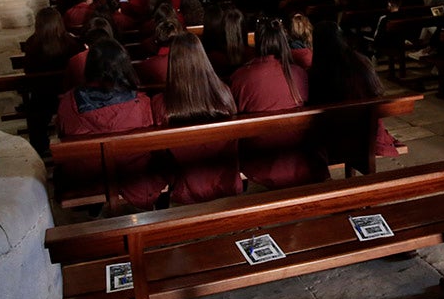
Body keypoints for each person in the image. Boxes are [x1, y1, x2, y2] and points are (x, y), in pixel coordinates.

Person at [56, 38, 166, 211]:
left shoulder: (69, 102)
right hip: (133, 176)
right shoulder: (141, 102)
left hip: (88, 179)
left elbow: (62, 132)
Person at [229, 18, 329, 188]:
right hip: (297, 151)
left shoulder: (241, 76)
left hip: (261, 154)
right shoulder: (298, 73)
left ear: (258, 43)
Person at [151, 32, 242, 205]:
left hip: (185, 182)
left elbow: (160, 152)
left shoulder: (160, 103)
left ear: (173, 63)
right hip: (223, 179)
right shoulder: (223, 92)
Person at [309, 21, 402, 157]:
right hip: (367, 131)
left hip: (341, 136)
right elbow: (377, 91)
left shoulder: (320, 71)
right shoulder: (361, 60)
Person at [21, 7, 84, 153]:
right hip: (69, 94)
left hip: (42, 97)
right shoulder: (71, 42)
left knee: (34, 109)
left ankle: (40, 147)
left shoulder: (31, 44)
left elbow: (28, 71)